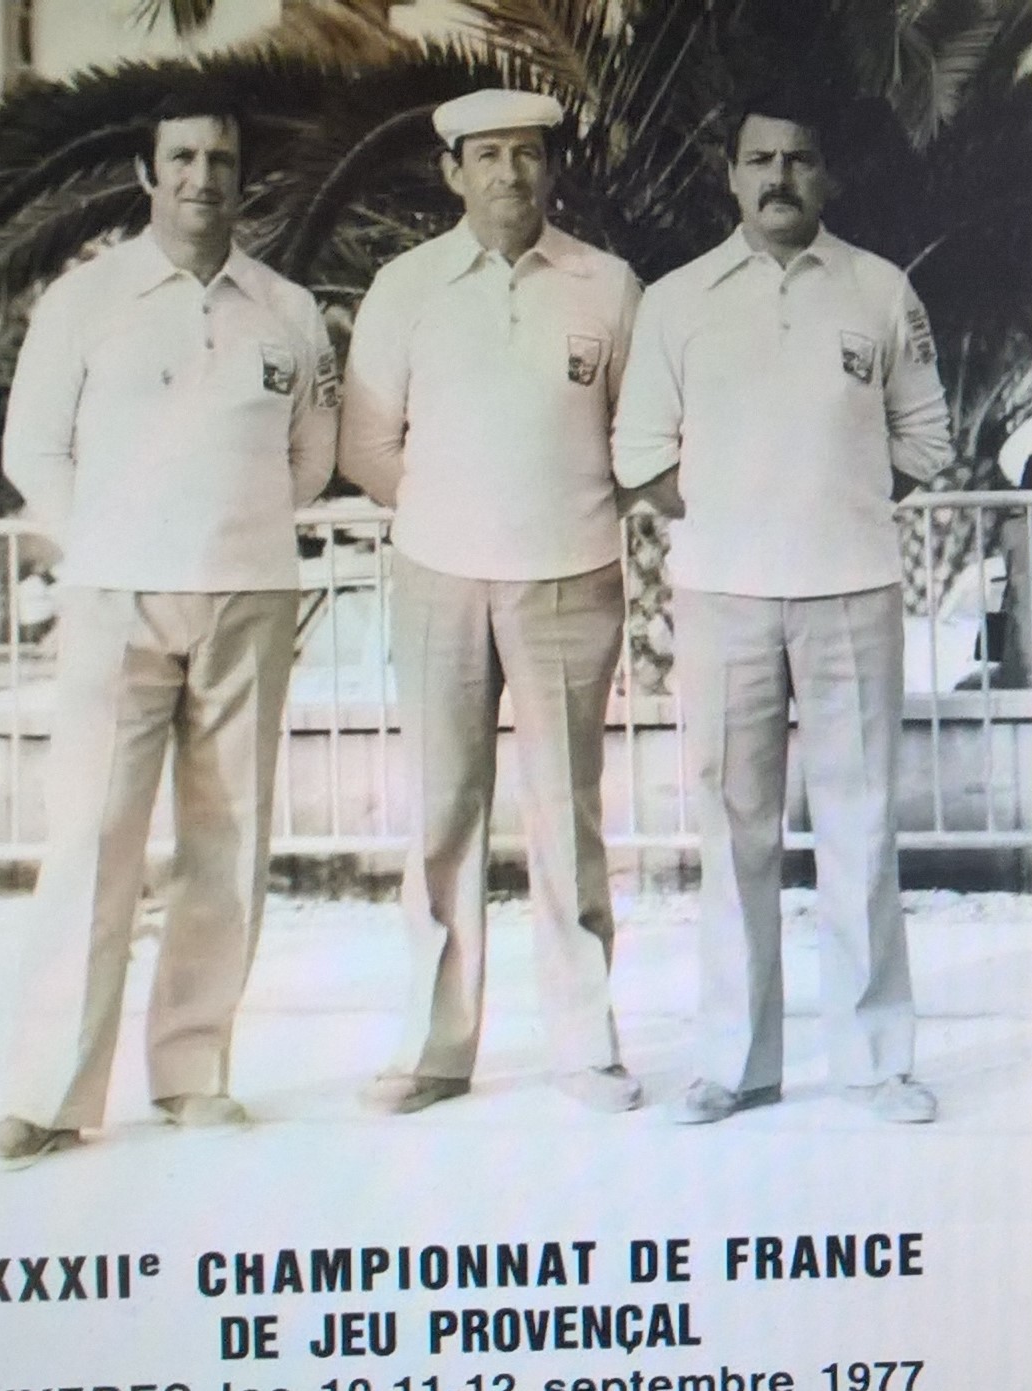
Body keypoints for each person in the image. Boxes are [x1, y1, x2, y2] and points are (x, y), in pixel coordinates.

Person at [0, 100, 338, 1164]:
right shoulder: (86, 300)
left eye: (223, 159)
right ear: (148, 173)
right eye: (182, 157)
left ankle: (191, 1072)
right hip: (117, 600)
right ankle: (47, 1094)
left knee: (227, 844)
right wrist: (117, 537)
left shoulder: (288, 310)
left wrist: (226, 533)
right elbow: (33, 451)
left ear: (243, 179)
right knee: (92, 841)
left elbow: (309, 459)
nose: (202, 177)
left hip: (246, 595)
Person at [613, 84, 953, 1125]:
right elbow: (638, 456)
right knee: (735, 832)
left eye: (799, 160)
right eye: (759, 160)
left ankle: (875, 1060)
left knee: (858, 829)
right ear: (730, 175)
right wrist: (732, 509)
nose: (779, 179)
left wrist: (833, 495)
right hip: (723, 600)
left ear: (827, 176)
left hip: (852, 591)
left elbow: (926, 443)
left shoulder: (880, 289)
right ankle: (736, 1062)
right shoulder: (676, 300)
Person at [338, 89, 643, 1114]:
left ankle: (586, 1044)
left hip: (570, 575)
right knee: (441, 814)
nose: (510, 172)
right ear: (453, 172)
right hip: (440, 577)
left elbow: (632, 435)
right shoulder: (405, 286)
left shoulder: (606, 285)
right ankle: (435, 1048)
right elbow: (367, 446)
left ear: (552, 170)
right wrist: (452, 520)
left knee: (567, 813)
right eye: (488, 155)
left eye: (528, 154)